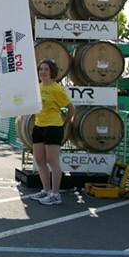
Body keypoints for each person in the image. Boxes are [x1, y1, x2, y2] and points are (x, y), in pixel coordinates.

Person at [31, 58, 75, 205]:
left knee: (52, 161)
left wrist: (64, 122)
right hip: (38, 126)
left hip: (53, 127)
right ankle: (46, 190)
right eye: (41, 69)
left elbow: (71, 109)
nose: (43, 72)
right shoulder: (37, 87)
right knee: (39, 160)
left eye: (46, 69)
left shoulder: (57, 89)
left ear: (52, 72)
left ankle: (56, 195)